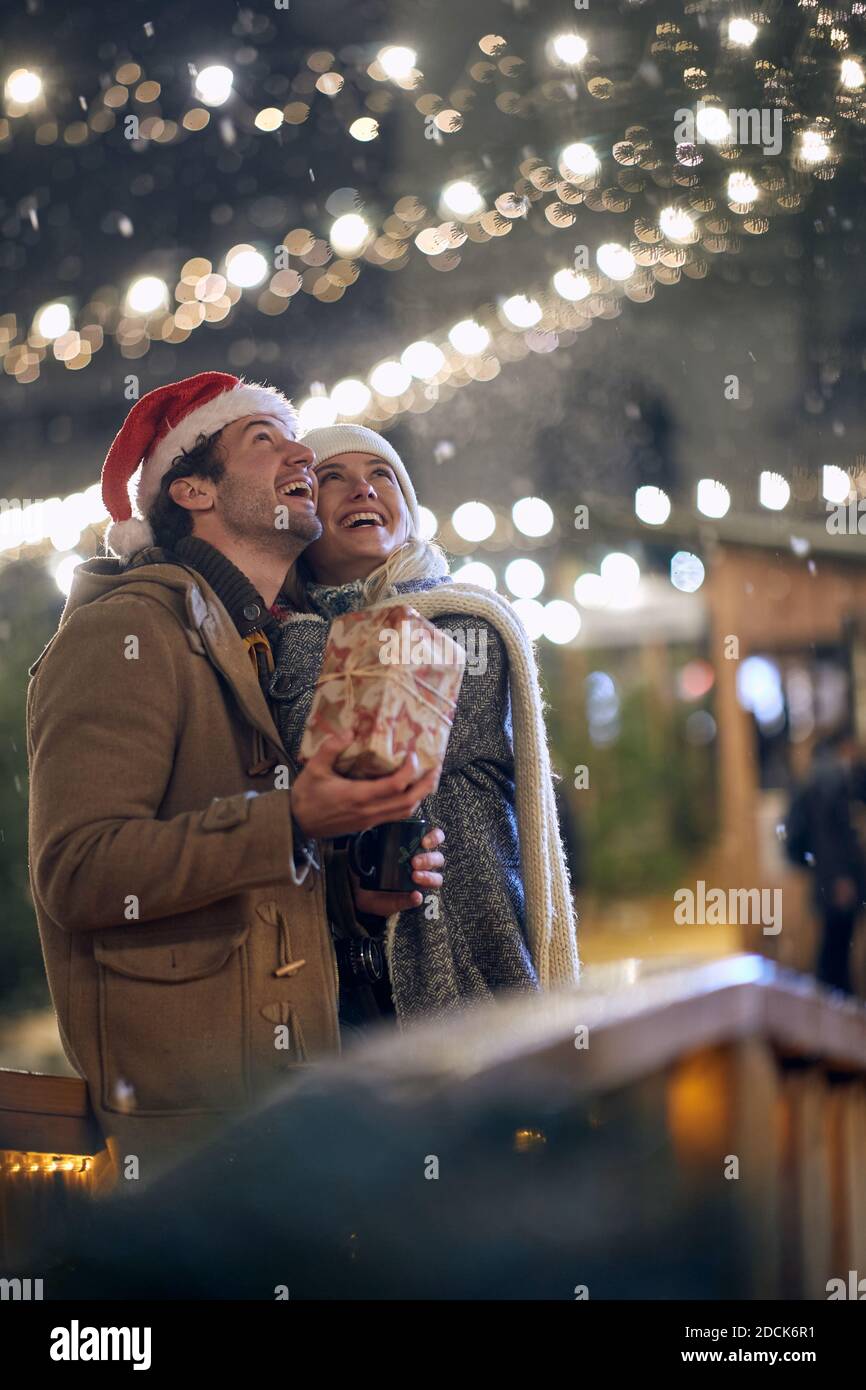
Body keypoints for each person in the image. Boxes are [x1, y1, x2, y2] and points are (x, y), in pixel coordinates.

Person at [26, 373, 444, 1184]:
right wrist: (291, 822)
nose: (300, 451)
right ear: (191, 488)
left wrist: (347, 900)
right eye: (264, 439)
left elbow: (240, 880)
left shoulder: (257, 639)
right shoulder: (127, 630)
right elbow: (77, 870)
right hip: (198, 1132)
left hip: (287, 1099)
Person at [271, 424, 580, 1030]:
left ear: (407, 512)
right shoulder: (288, 641)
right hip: (340, 983)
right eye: (332, 478)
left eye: (381, 475)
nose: (362, 489)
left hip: (474, 963)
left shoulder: (470, 623)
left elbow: (375, 733)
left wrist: (306, 656)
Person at [784, 728, 866, 995]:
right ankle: (835, 1020)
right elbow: (831, 836)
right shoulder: (833, 777)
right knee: (836, 952)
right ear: (847, 746)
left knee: (832, 949)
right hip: (837, 881)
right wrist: (841, 878)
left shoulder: (815, 775)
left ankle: (829, 1015)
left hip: (825, 877)